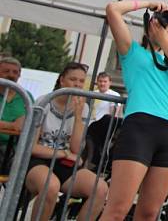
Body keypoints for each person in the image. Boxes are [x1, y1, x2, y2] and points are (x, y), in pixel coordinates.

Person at [99, 0, 168, 221]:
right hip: (140, 128)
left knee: (150, 213)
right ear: (149, 24)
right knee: (117, 210)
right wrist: (148, 3)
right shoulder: (132, 51)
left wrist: (164, 40)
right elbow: (113, 9)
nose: (167, 30)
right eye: (163, 24)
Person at [24, 62, 109, 221]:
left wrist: (78, 117)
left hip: (65, 163)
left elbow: (76, 149)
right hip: (38, 161)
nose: (77, 84)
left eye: (81, 81)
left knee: (101, 189)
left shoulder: (82, 108)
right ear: (62, 80)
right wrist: (63, 153)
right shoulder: (44, 102)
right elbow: (31, 147)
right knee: (51, 186)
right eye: (73, 79)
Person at [0, 56, 29, 150]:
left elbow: (30, 122)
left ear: (19, 75)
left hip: (16, 148)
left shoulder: (26, 96)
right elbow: (17, 126)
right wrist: (12, 125)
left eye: (15, 72)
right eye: (6, 71)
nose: (11, 75)